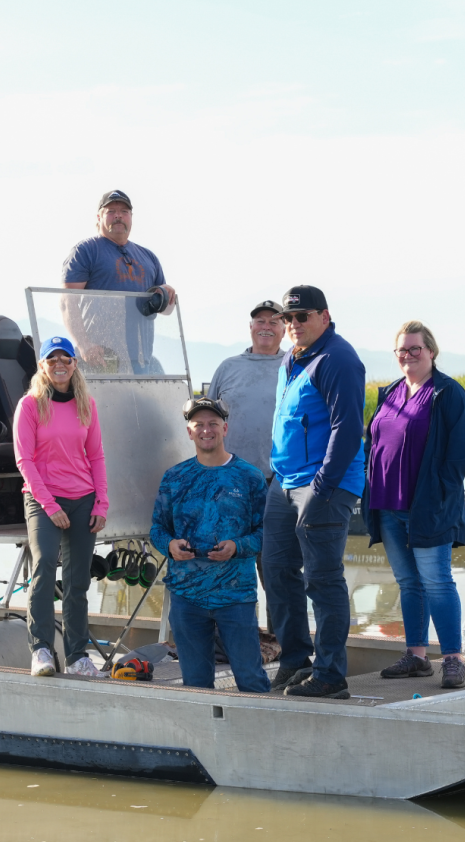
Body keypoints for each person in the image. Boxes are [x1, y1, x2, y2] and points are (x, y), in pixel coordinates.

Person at [262, 285, 365, 700]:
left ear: (324, 316)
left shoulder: (338, 358)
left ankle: (330, 674)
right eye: (288, 318)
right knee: (276, 571)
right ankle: (295, 660)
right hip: (284, 482)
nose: (293, 324)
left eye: (301, 316)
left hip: (323, 484)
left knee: (322, 579)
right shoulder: (292, 357)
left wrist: (322, 486)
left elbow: (348, 428)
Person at [364, 321, 465, 689]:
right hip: (387, 506)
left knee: (437, 582)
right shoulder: (390, 393)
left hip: (428, 508)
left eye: (415, 348)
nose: (408, 355)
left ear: (431, 351)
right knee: (409, 583)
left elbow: (462, 453)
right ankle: (416, 656)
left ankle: (453, 660)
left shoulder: (447, 393)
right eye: (402, 350)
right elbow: (374, 442)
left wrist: (438, 494)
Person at [150, 396, 270, 692]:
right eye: (199, 424)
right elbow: (157, 529)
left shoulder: (250, 477)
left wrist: (237, 546)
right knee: (196, 685)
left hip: (235, 596)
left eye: (213, 423)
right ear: (189, 432)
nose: (206, 430)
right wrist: (170, 546)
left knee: (251, 680)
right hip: (186, 596)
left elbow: (266, 533)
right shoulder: (174, 477)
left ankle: (260, 723)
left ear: (225, 428)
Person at [13, 335, 109, 677]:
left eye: (65, 359)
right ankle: (41, 650)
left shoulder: (87, 404)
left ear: (74, 364)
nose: (59, 364)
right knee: (43, 567)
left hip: (83, 498)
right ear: (42, 365)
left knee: (77, 579)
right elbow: (24, 460)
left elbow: (96, 457)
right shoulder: (30, 405)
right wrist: (49, 505)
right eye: (51, 359)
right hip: (43, 499)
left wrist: (101, 502)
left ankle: (77, 657)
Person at [60, 190, 177, 374]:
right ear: (99, 217)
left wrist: (166, 293)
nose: (118, 216)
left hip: (140, 361)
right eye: (111, 211)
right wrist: (84, 345)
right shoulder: (86, 251)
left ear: (131, 217)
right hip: (101, 358)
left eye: (124, 211)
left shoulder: (148, 257)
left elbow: (166, 311)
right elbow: (67, 302)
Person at [207, 300, 286, 479]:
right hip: (228, 474)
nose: (266, 327)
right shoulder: (227, 367)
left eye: (273, 322)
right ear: (251, 327)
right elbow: (207, 420)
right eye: (260, 321)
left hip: (278, 479)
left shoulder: (294, 368)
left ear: (284, 330)